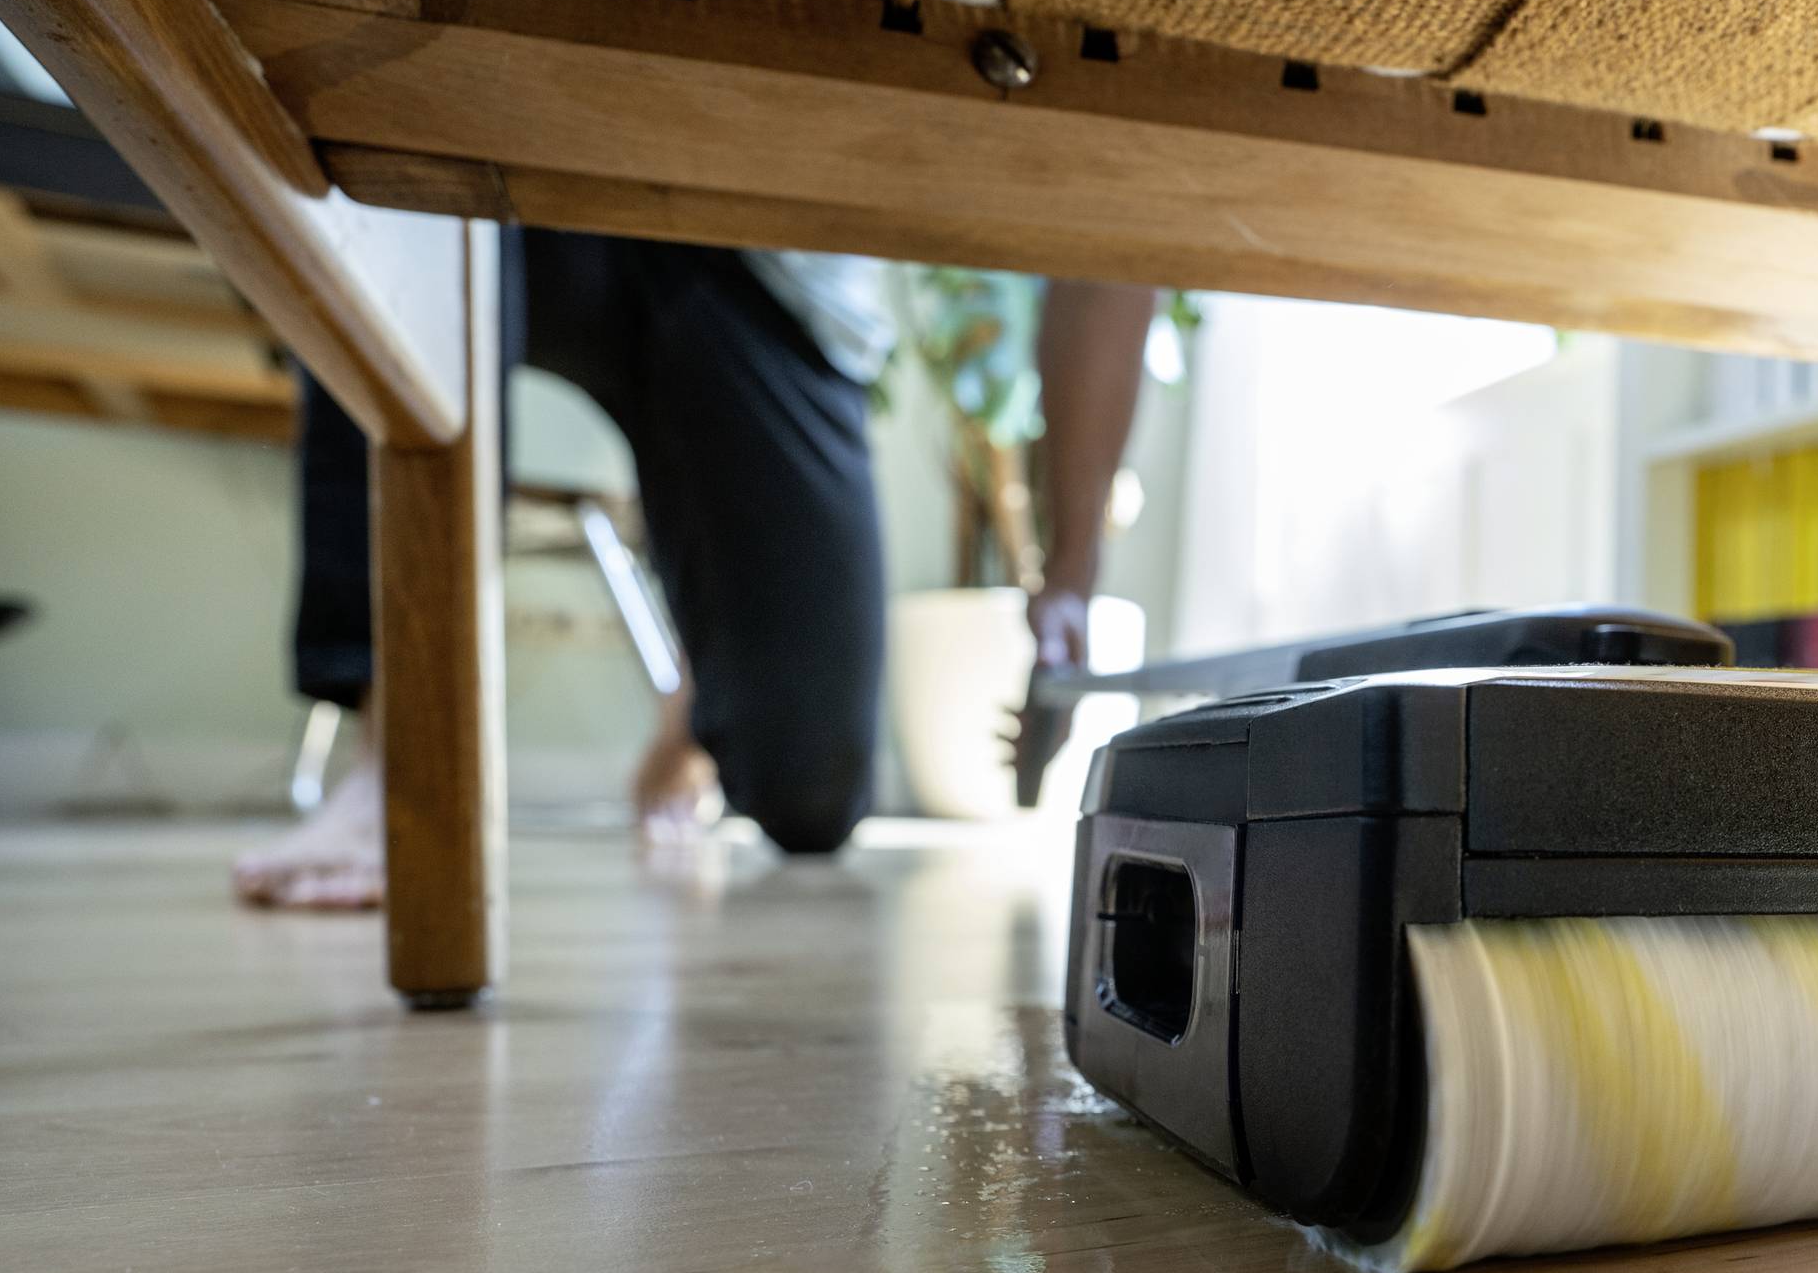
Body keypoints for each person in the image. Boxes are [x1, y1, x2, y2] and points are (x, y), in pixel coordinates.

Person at [233, 230, 1152, 908]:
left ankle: (700, 703)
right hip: (525, 182)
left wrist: (1070, 578)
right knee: (404, 220)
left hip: (773, 283)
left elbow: (1111, 232)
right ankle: (396, 770)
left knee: (812, 794)